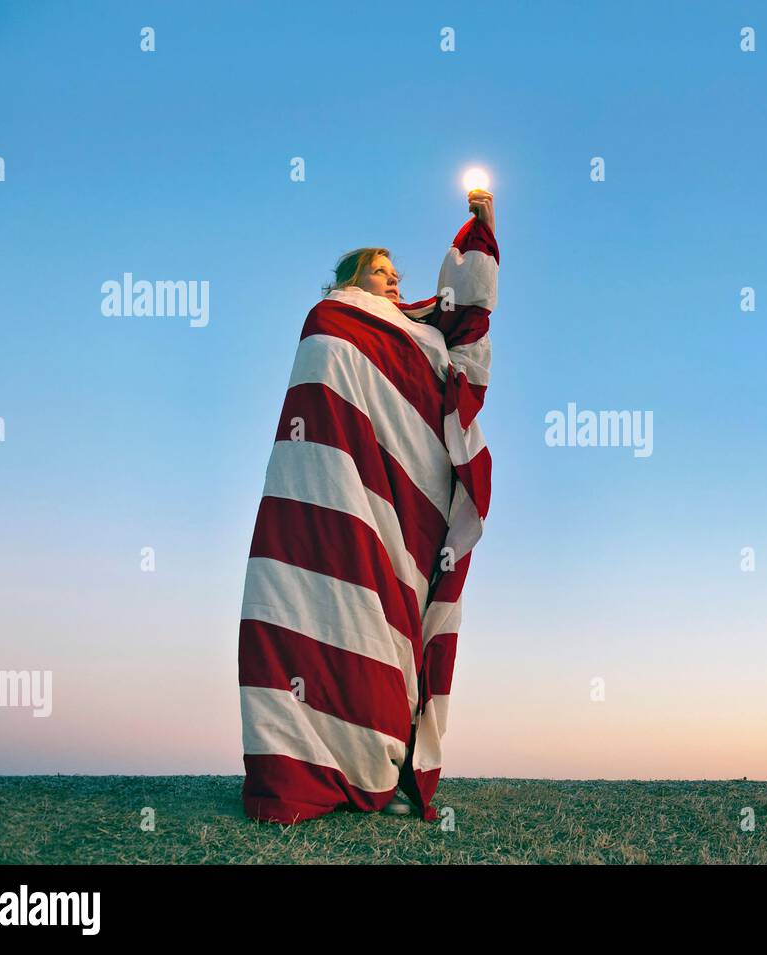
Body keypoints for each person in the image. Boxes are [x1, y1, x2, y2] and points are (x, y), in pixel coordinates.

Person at [238, 188, 498, 824]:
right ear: (354, 276)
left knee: (385, 632)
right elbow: (327, 389)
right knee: (309, 611)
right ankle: (299, 760)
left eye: (398, 273)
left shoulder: (415, 333)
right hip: (327, 493)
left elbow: (458, 331)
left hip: (395, 519)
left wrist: (481, 233)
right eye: (383, 271)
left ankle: (375, 756)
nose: (395, 280)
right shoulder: (332, 319)